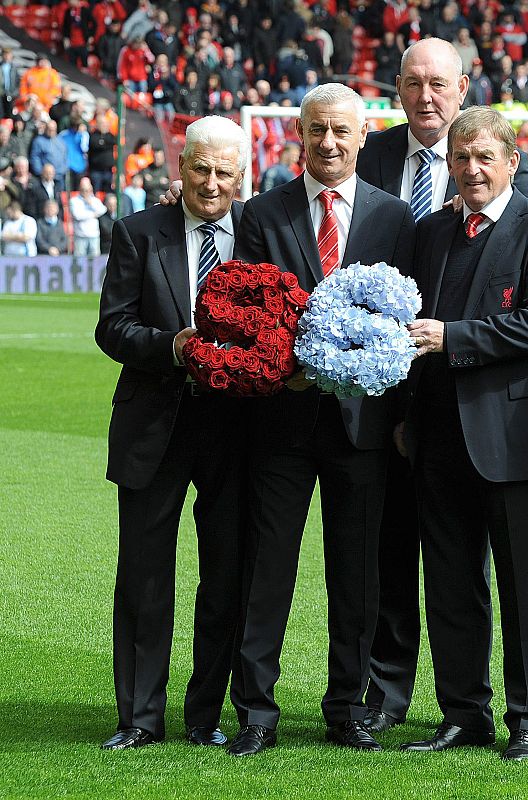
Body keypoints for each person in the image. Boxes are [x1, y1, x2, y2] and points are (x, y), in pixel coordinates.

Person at [355, 36, 528, 737]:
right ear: (397, 89)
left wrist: (452, 342)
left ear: (464, 89)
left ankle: (499, 710)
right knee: (391, 551)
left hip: (476, 405)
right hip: (385, 397)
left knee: (471, 566)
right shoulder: (366, 154)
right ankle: (387, 691)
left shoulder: (510, 180)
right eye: (412, 83)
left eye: (439, 84)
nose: (426, 97)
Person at [225, 83, 415, 757]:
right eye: (317, 131)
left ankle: (347, 708)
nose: (328, 142)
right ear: (298, 137)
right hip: (279, 421)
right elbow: (244, 308)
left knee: (357, 575)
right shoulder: (261, 214)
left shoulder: (397, 219)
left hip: (364, 428)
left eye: (341, 131)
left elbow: (403, 327)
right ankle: (256, 711)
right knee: (266, 569)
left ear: (364, 137)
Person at [396, 107, 528, 760]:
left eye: (483, 158)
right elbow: (409, 322)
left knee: (525, 587)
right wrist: (405, 416)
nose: (471, 169)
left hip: (513, 439)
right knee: (448, 585)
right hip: (437, 436)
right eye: (460, 158)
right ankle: (463, 712)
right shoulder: (431, 231)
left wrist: (453, 338)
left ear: (511, 162)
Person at [95, 116, 248, 751]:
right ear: (177, 169)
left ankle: (205, 716)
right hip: (154, 423)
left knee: (228, 575)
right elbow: (112, 328)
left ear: (241, 178)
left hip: (237, 428)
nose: (210, 183)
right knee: (145, 574)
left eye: (223, 173)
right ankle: (139, 717)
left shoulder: (260, 234)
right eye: (200, 169)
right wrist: (172, 347)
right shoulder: (137, 231)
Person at [70, 178, 107, 256]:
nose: (86, 192)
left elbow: (103, 210)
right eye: (84, 189)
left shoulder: (95, 200)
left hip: (94, 235)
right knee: (80, 262)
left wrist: (91, 204)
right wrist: (93, 214)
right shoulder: (74, 201)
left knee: (95, 261)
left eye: (88, 190)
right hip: (80, 236)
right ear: (80, 189)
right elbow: (77, 216)